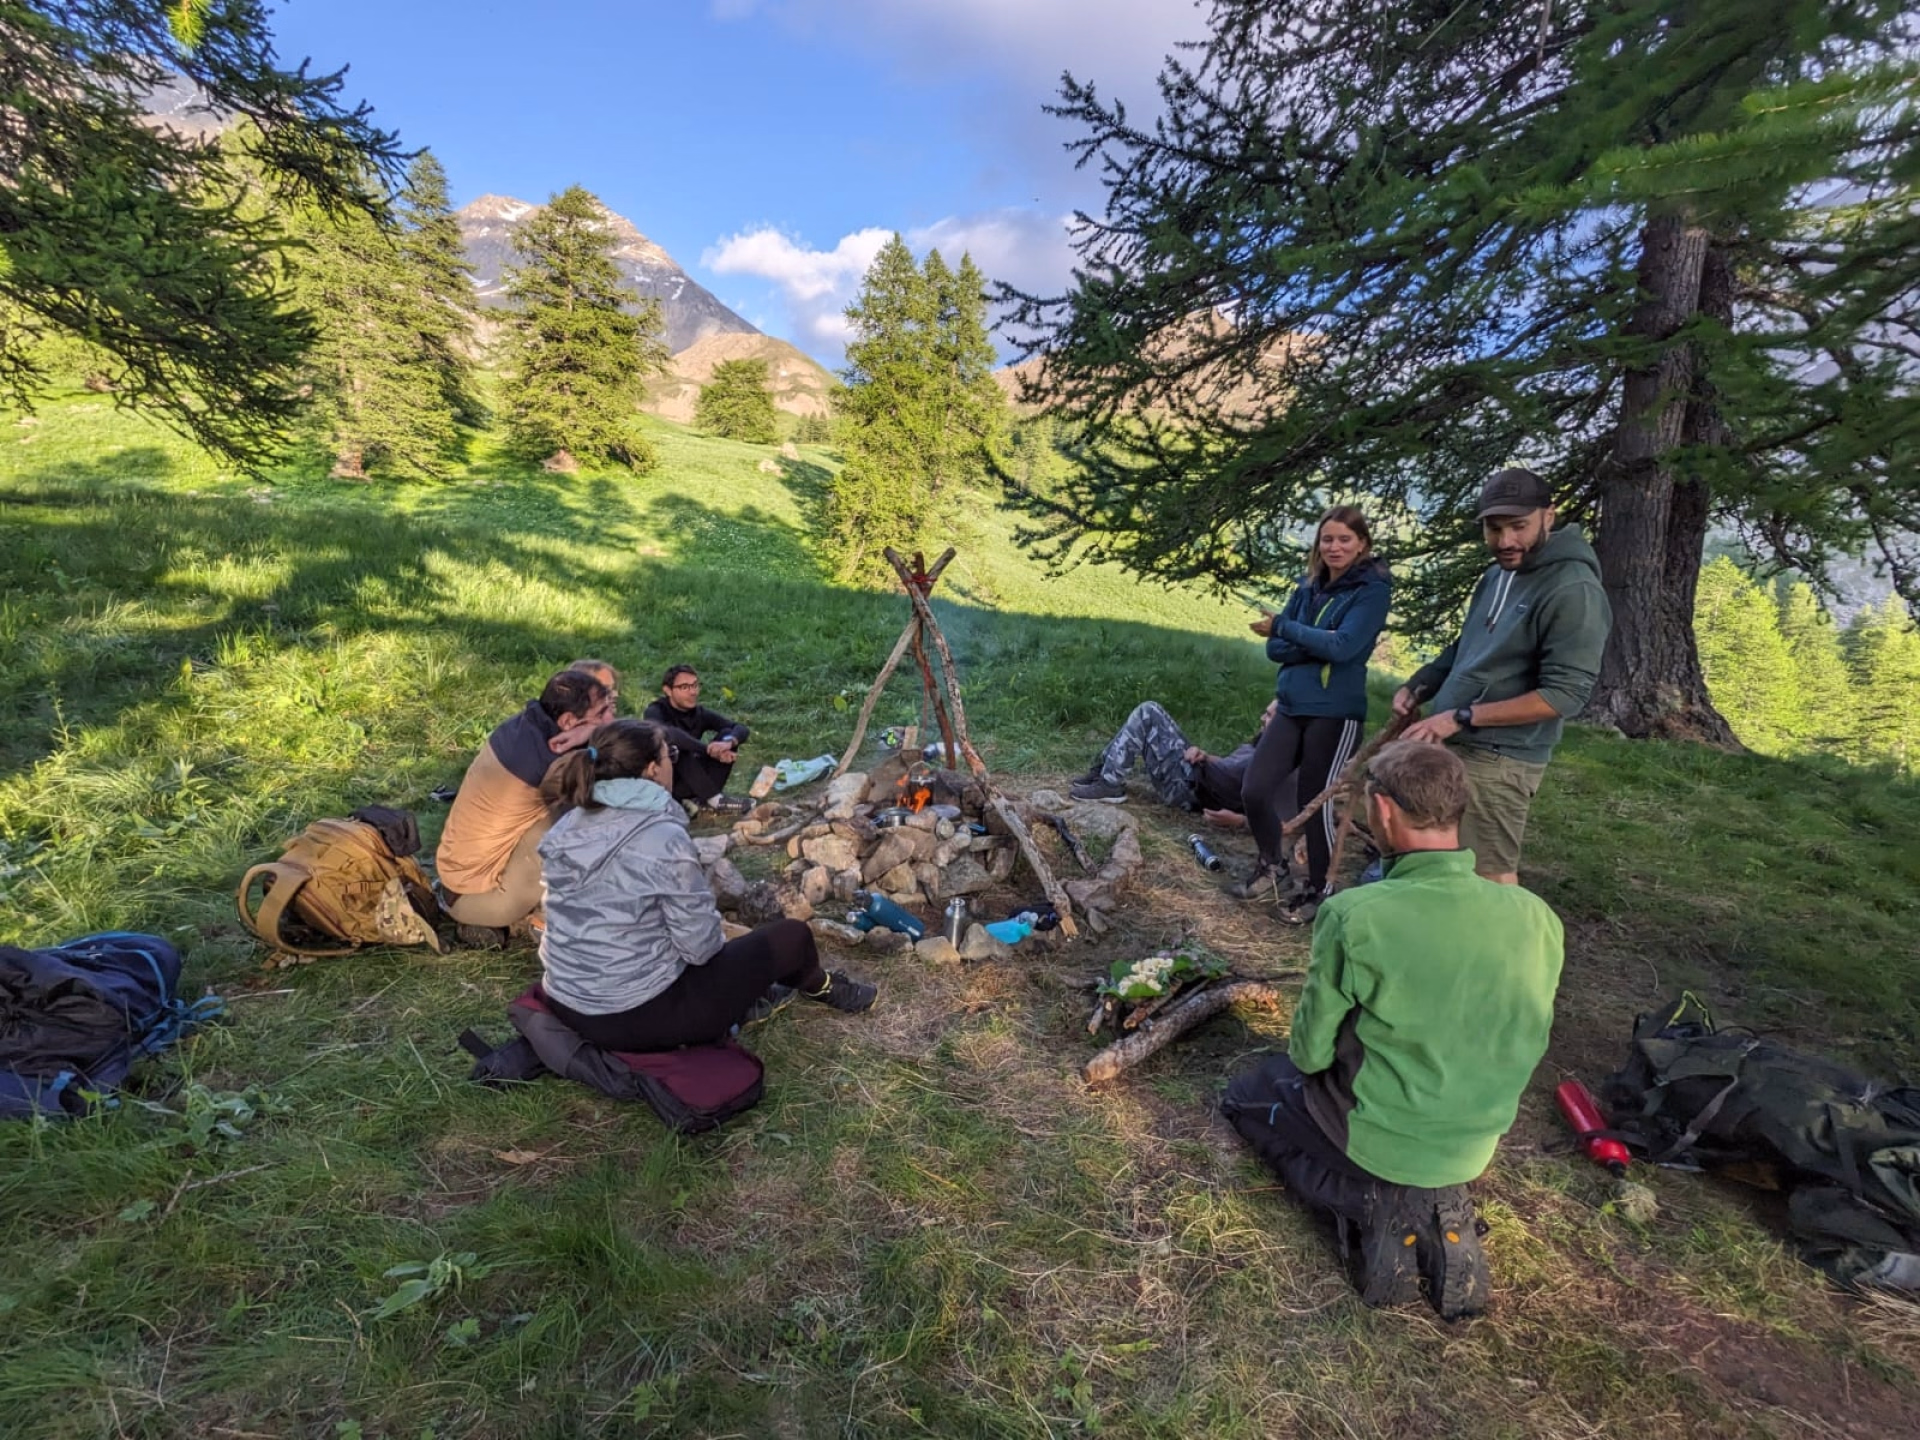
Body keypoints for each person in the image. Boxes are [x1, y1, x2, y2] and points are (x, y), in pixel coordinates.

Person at [1220, 742, 1563, 1319]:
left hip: (1374, 1137)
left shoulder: (1356, 914)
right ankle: (1433, 1199)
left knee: (1249, 1097)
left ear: (1382, 810)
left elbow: (1309, 1056)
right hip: (1475, 1140)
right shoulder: (1536, 917)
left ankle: (1369, 1200)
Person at [535, 719, 877, 1050]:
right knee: (792, 937)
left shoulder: (566, 826)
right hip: (636, 1018)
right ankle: (821, 986)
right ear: (653, 769)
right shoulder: (662, 837)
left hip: (566, 1002)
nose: (673, 762)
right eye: (670, 754)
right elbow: (700, 949)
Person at [1396, 467, 1612, 884]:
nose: (1506, 541)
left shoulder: (1574, 590)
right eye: (1494, 529)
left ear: (1549, 517)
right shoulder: (1497, 575)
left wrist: (1462, 717)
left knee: (1490, 877)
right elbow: (1469, 648)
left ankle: (1507, 949)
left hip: (1503, 761)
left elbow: (1565, 694)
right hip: (1456, 748)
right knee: (1441, 864)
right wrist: (1420, 684)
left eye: (1519, 526)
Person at [1231, 505, 1392, 923]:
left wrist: (1287, 628)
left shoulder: (1371, 590)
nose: (1334, 547)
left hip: (1335, 714)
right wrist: (1314, 640)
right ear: (1318, 544)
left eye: (1344, 539)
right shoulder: (1308, 588)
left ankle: (1319, 888)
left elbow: (1344, 648)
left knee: (1315, 801)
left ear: (1362, 545)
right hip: (1291, 706)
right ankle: (1273, 862)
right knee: (1255, 788)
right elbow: (1275, 650)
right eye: (1327, 539)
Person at [436, 670, 613, 945]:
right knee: (582, 825)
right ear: (568, 721)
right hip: (480, 899)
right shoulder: (550, 765)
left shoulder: (526, 727)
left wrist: (591, 729)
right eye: (601, 713)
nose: (610, 720)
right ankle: (548, 918)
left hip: (457, 881)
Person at [1069, 700, 1277, 829]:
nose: (1261, 718)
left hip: (1191, 791)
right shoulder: (1262, 746)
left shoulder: (1281, 765)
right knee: (1152, 710)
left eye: (1268, 716)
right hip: (1194, 771)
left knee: (1148, 712)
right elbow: (1230, 767)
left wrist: (1238, 821)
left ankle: (1109, 783)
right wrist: (1205, 755)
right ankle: (1104, 771)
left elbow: (1285, 825)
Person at [642, 665, 751, 814]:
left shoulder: (699, 713)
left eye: (695, 685)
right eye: (685, 687)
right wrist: (708, 750)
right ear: (667, 690)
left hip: (694, 779)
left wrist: (728, 742)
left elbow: (740, 728)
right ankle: (715, 800)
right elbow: (670, 734)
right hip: (667, 782)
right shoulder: (655, 711)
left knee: (726, 734)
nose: (693, 692)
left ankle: (706, 799)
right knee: (675, 748)